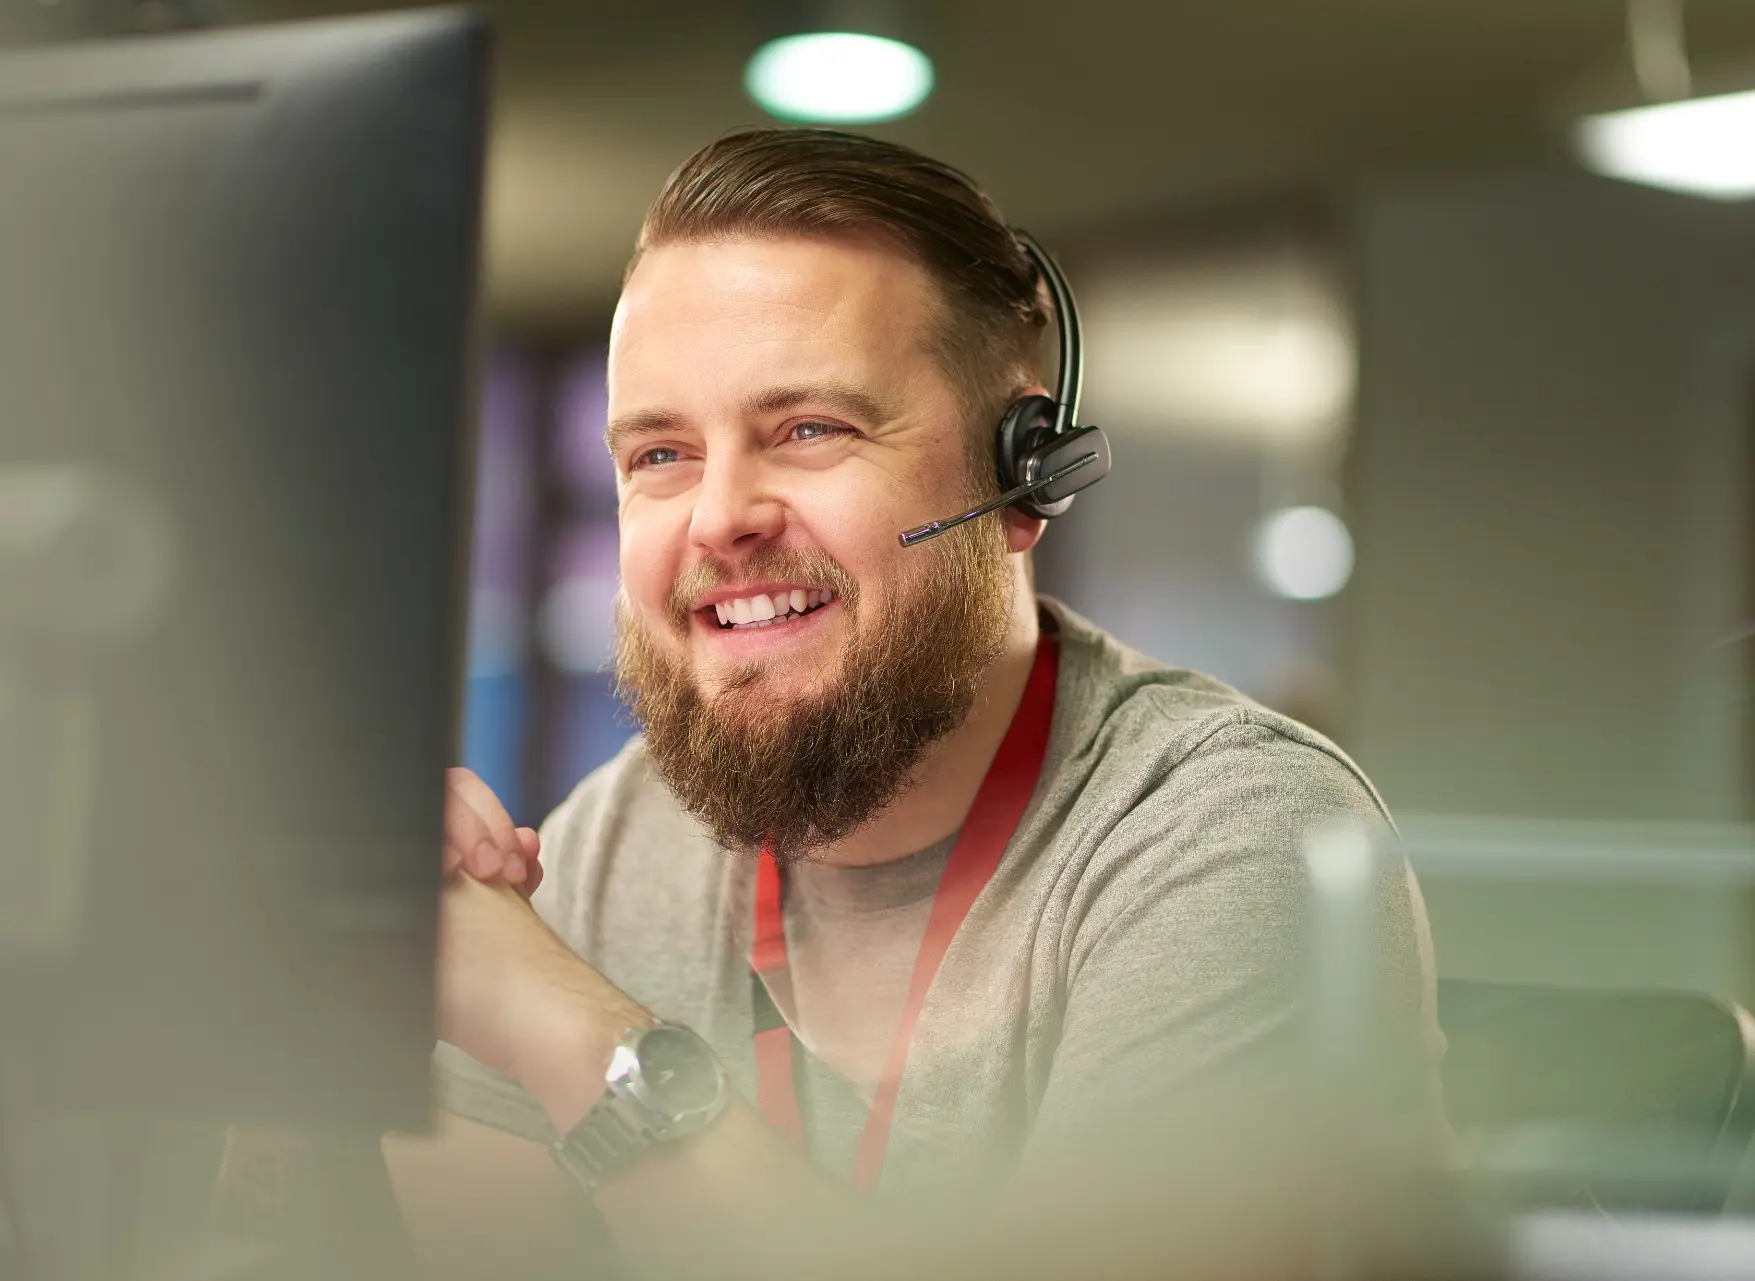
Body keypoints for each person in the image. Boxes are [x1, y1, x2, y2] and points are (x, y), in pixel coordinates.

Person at [222, 127, 1450, 1281]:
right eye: (659, 455)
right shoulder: (612, 843)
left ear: (1022, 482)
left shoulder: (1232, 840)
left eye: (808, 430)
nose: (719, 517)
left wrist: (563, 1030)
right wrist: (344, 981)